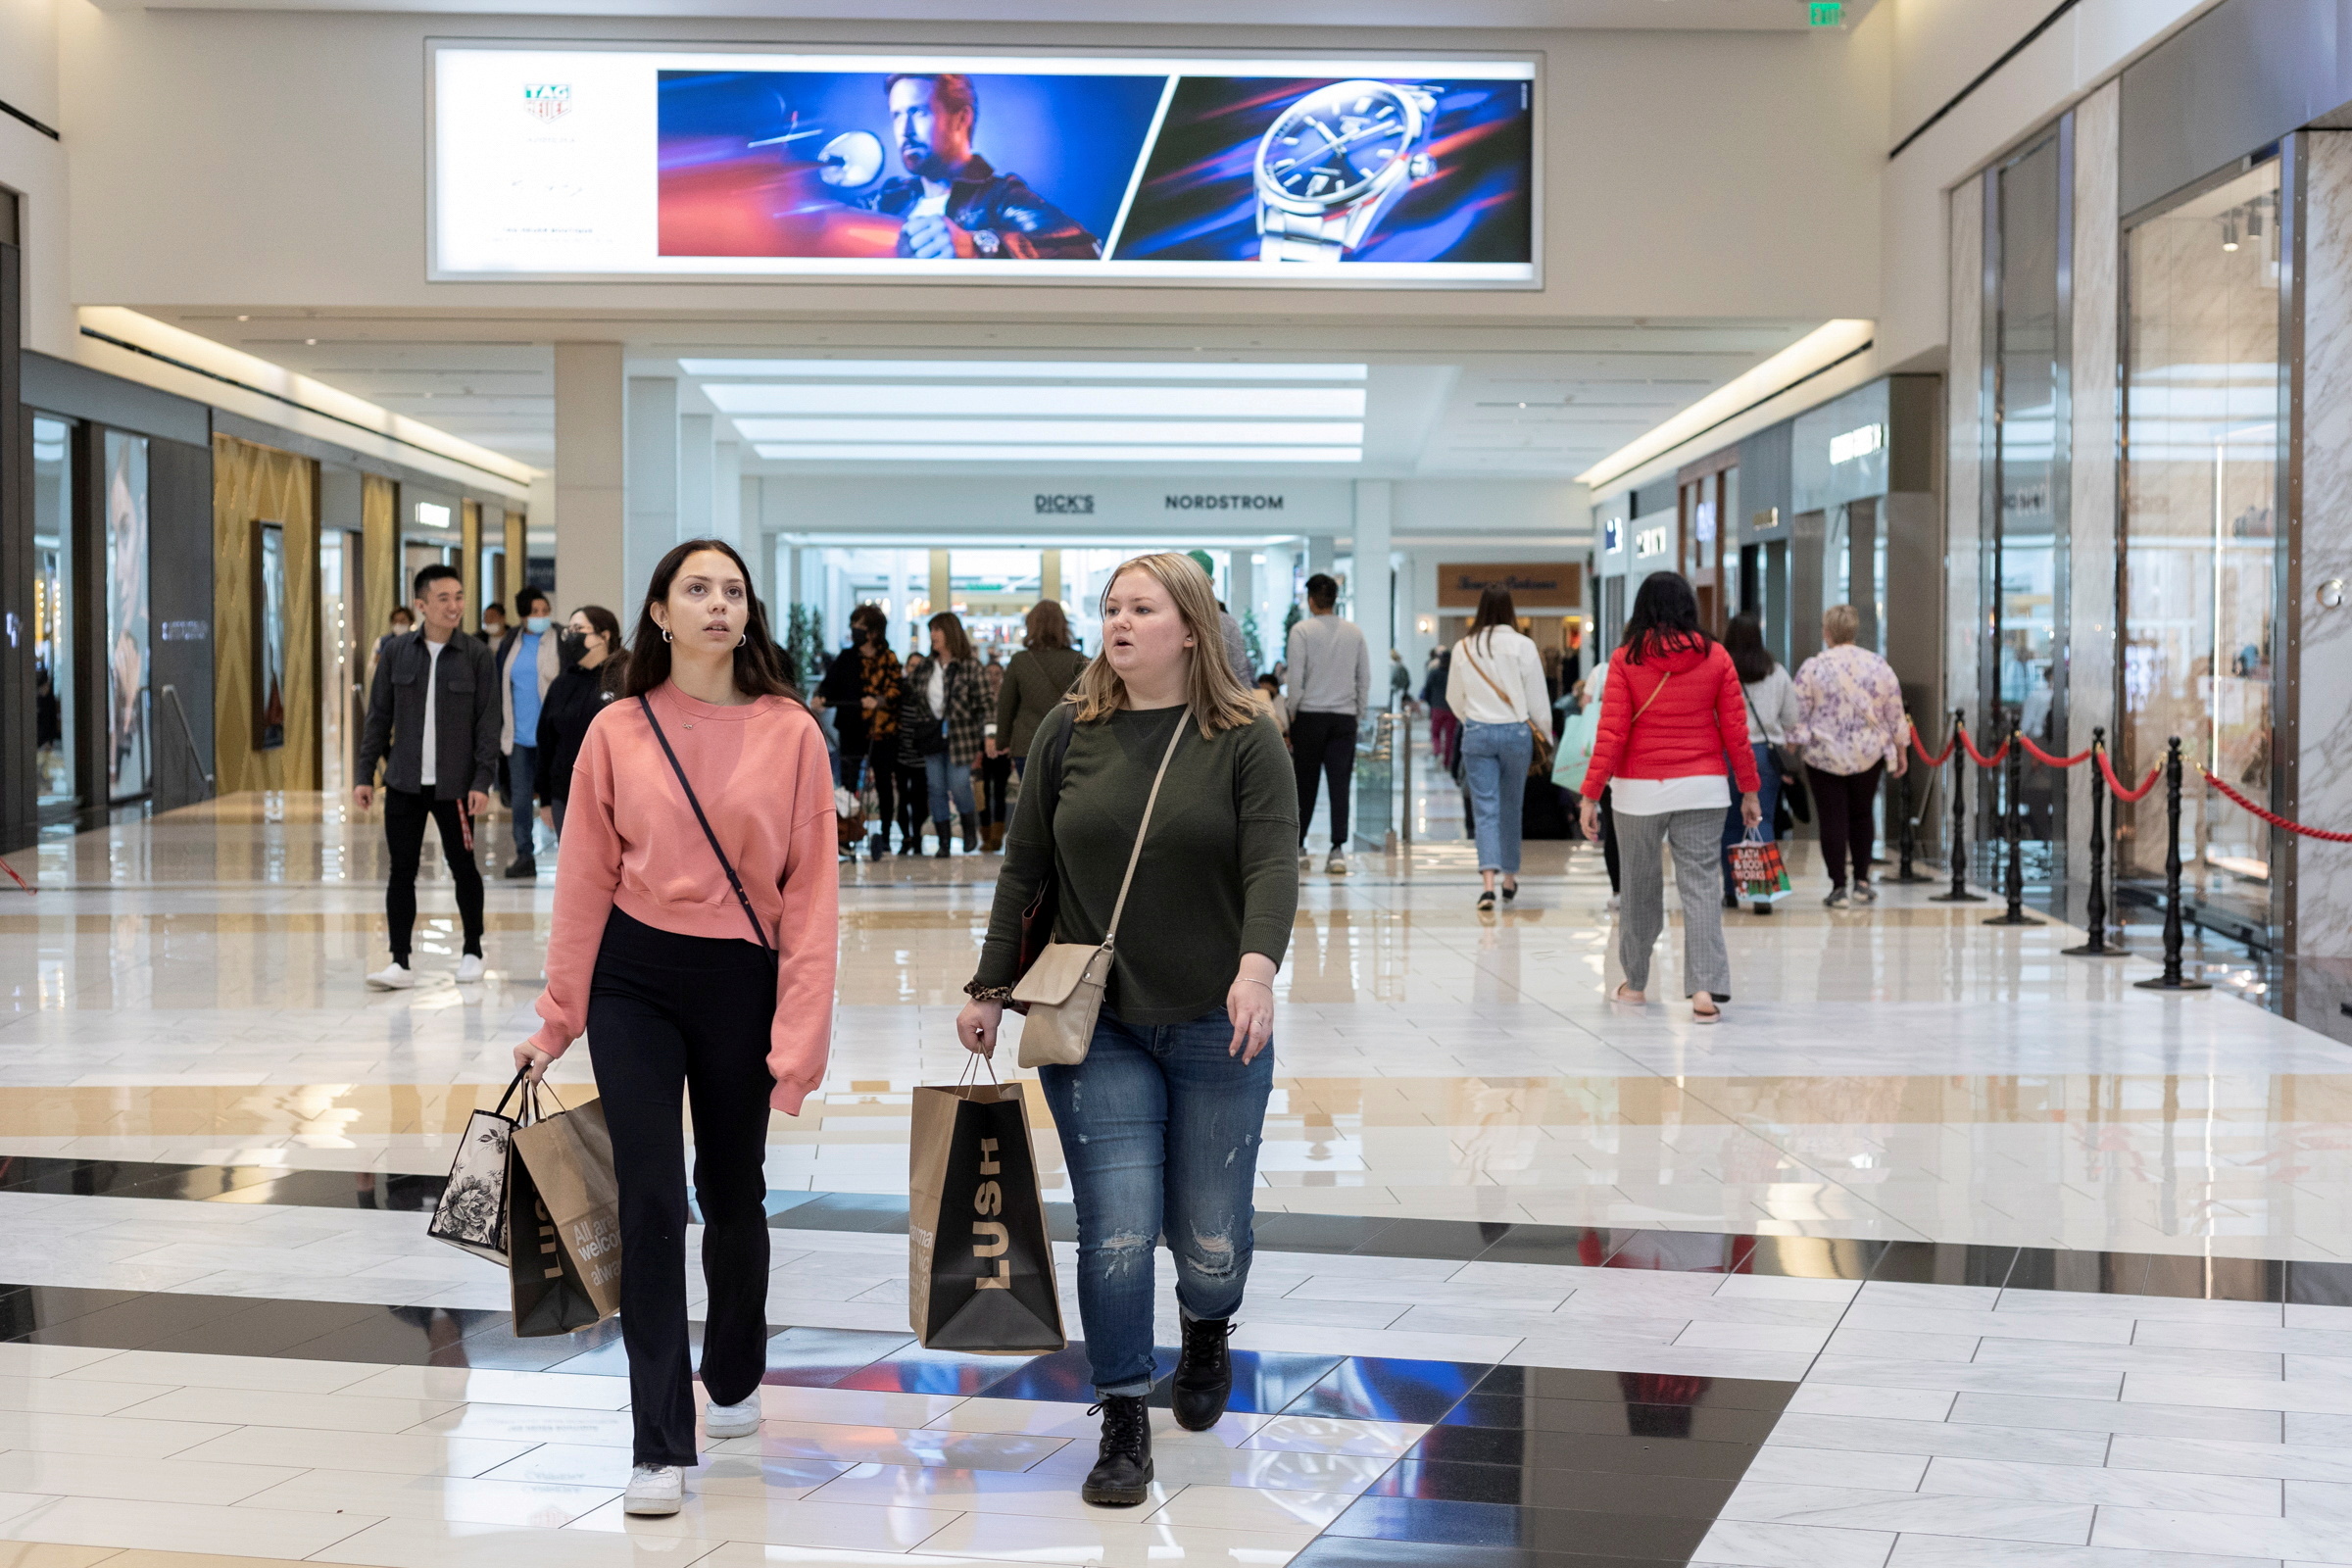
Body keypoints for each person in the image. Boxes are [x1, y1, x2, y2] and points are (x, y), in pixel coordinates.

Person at [956, 552, 1297, 1509]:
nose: (1120, 621)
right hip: (1091, 1020)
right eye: (1112, 606)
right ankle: (1120, 1414)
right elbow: (1023, 870)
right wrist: (989, 986)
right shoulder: (1071, 729)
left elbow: (1273, 862)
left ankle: (1206, 1319)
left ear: (1191, 628)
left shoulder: (1244, 736)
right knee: (1115, 1228)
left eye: (1142, 607)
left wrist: (1257, 966)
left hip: (1214, 1022)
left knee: (1210, 1235)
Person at [514, 539, 837, 1520]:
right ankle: (659, 1441)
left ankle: (733, 1365)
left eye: (732, 591)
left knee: (731, 1189)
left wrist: (801, 1036)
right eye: (695, 589)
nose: (716, 605)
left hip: (742, 973)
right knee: (651, 1198)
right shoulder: (618, 728)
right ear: (658, 611)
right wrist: (558, 1014)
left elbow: (812, 894)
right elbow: (584, 880)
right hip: (634, 980)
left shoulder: (790, 732)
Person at [1577, 571, 1759, 1022]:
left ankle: (1635, 984)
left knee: (1639, 885)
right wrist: (1750, 788)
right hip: (1704, 786)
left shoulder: (1625, 659)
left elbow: (1612, 732)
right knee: (1700, 886)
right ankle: (1704, 989)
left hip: (1638, 791)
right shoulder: (1716, 657)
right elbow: (1737, 730)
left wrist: (1589, 794)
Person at [355, 564, 499, 991]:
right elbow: (378, 718)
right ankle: (399, 960)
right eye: (444, 599)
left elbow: (488, 725)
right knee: (401, 870)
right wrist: (365, 774)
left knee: (463, 867)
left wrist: (482, 781)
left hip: (456, 787)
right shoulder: (397, 653)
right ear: (421, 605)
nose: (454, 606)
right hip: (403, 782)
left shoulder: (476, 655)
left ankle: (472, 950)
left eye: (459, 597)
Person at [855, 74, 1100, 261]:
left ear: (962, 118)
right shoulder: (886, 200)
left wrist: (977, 246)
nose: (904, 130)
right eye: (896, 115)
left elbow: (1087, 249)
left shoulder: (1001, 196)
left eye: (917, 112)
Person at [1791, 604, 1908, 907]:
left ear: (1827, 632)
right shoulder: (1877, 665)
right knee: (1862, 814)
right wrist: (1901, 750)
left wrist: (1793, 743)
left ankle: (1837, 886)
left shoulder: (1813, 667)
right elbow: (1894, 711)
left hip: (1824, 755)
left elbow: (1797, 713)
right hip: (1868, 754)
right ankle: (1862, 881)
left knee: (1832, 820)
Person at [1446, 585, 1551, 910]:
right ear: (1510, 609)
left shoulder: (1463, 647)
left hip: (1477, 732)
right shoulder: (1523, 645)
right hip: (1515, 733)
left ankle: (1488, 886)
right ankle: (1509, 879)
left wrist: (1474, 719)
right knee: (1511, 806)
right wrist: (1545, 734)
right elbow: (1537, 698)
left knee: (1485, 810)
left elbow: (1454, 697)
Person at [1284, 573, 1371, 875]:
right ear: (1335, 598)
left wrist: (1292, 713)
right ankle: (1337, 850)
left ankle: (1300, 846)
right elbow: (1364, 679)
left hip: (1309, 716)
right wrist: (1356, 714)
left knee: (1304, 785)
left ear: (1310, 600)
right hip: (1344, 718)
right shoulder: (1354, 632)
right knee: (1339, 785)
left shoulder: (1301, 631)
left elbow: (1295, 678)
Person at [1720, 612, 1800, 914]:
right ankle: (1762, 895)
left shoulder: (1722, 669)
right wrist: (1786, 751)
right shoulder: (1776, 672)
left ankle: (1730, 892)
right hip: (1766, 755)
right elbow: (1792, 718)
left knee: (1729, 824)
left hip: (1728, 753)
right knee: (1762, 819)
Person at [900, 611, 990, 856]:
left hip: (961, 737)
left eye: (937, 630)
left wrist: (989, 735)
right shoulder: (927, 667)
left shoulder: (970, 666)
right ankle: (944, 842)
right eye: (931, 630)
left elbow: (985, 704)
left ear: (950, 632)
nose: (932, 635)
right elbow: (908, 692)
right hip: (931, 736)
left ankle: (969, 828)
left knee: (959, 784)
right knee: (936, 788)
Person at [533, 605, 626, 839]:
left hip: (617, 793)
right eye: (569, 629)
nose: (571, 635)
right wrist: (546, 799)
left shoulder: (626, 677)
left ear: (604, 636)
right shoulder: (562, 684)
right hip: (566, 792)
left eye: (579, 628)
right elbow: (546, 742)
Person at [496, 587, 560, 880]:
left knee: (559, 797)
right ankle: (524, 854)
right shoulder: (511, 642)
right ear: (523, 616)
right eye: (535, 612)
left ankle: (571, 856)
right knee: (520, 799)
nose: (541, 616)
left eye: (545, 610)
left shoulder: (560, 639)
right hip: (519, 734)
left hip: (552, 736)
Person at [994, 600, 1086, 777]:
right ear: (1063, 625)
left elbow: (1006, 706)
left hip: (1027, 744)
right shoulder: (1079, 660)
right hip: (1067, 743)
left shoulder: (1020, 661)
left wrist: (1002, 741)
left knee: (1032, 802)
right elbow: (1086, 705)